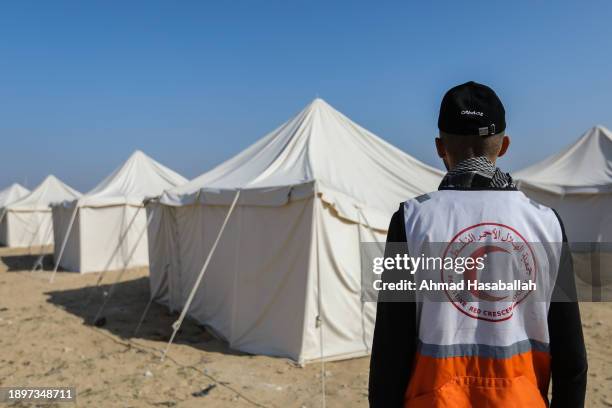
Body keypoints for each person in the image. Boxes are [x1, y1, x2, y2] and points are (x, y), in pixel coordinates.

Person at [368, 81, 587, 407]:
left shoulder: (411, 221)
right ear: (504, 145)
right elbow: (572, 360)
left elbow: (390, 351)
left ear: (440, 147)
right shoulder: (546, 224)